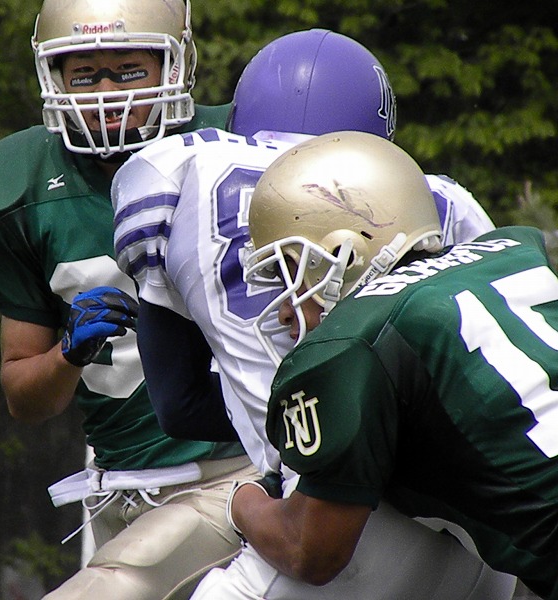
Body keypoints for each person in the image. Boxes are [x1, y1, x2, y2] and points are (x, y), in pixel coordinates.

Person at [112, 30, 516, 598]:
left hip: (331, 520)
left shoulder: (175, 172)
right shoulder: (450, 204)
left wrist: (256, 470)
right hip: (483, 528)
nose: (285, 304)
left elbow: (179, 407)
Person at [0, 1, 256, 598]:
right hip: (117, 490)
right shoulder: (14, 186)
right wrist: (67, 354)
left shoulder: (241, 143)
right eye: (85, 75)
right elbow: (25, 396)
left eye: (129, 71)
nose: (106, 94)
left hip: (241, 474)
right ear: (53, 76)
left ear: (174, 65)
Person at [231, 129, 558, 600]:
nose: (285, 309)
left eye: (291, 271)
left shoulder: (351, 344)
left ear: (345, 253)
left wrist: (241, 501)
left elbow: (311, 552)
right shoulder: (513, 253)